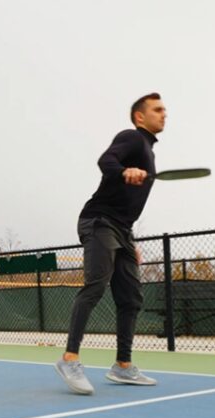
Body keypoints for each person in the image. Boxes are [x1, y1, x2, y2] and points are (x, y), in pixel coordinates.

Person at [55, 93, 166, 395]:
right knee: (95, 285)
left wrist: (130, 239)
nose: (164, 114)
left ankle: (123, 366)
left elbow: (127, 203)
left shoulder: (149, 153)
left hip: (123, 230)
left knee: (131, 298)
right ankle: (69, 358)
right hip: (99, 221)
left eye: (164, 110)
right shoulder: (131, 137)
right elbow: (106, 161)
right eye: (157, 110)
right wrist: (123, 171)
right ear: (139, 117)